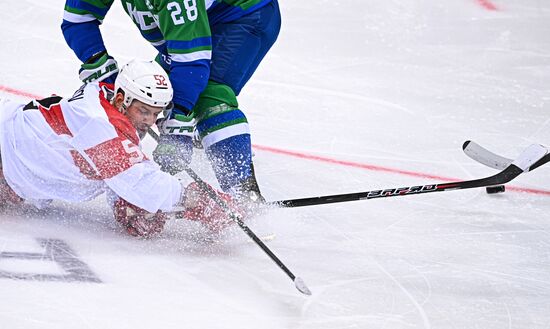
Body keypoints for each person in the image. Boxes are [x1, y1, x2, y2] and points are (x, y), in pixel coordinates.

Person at [61, 0, 282, 204]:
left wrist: (178, 122)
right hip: (200, 18)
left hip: (242, 14)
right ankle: (208, 134)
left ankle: (244, 192)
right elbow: (78, 19)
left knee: (209, 94)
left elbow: (192, 64)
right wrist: (97, 63)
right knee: (161, 86)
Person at [0, 60, 238, 238]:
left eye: (156, 114)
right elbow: (138, 181)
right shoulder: (99, 123)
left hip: (12, 163)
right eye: (144, 111)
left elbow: (119, 171)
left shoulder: (110, 105)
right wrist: (195, 199)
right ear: (121, 98)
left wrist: (122, 202)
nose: (149, 121)